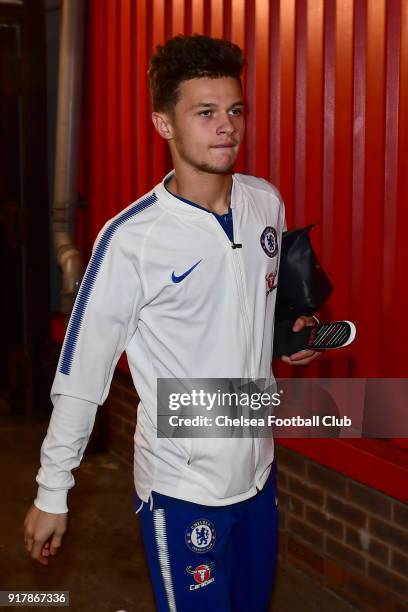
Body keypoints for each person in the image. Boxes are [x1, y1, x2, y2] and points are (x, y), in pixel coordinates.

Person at [23, 34, 321, 611]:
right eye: (205, 113)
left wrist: (288, 338)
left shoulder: (266, 203)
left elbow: (259, 303)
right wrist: (52, 491)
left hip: (258, 474)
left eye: (234, 111)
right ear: (165, 124)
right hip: (182, 490)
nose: (226, 127)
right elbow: (83, 373)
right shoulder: (132, 240)